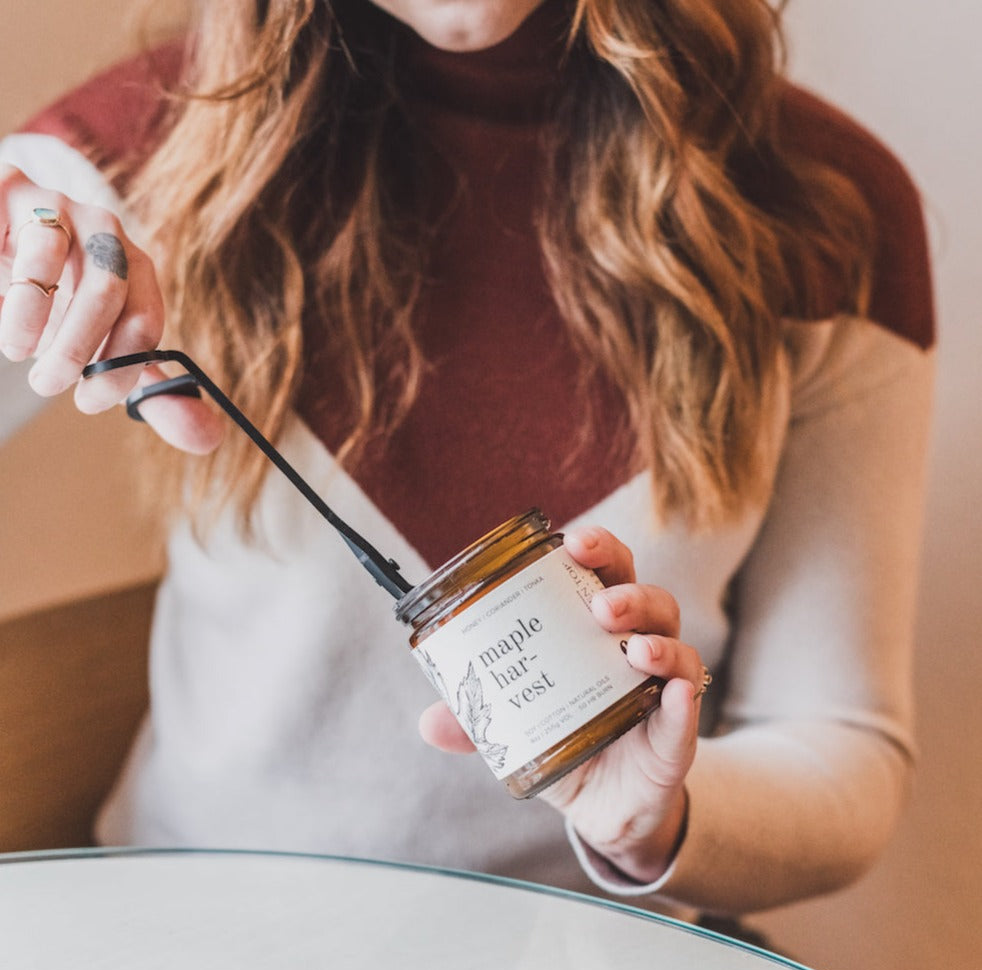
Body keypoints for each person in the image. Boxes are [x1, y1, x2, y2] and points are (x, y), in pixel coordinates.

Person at [0, 0, 934, 923]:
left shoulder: (830, 214)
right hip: (184, 938)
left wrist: (657, 820)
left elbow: (839, 741)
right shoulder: (124, 155)